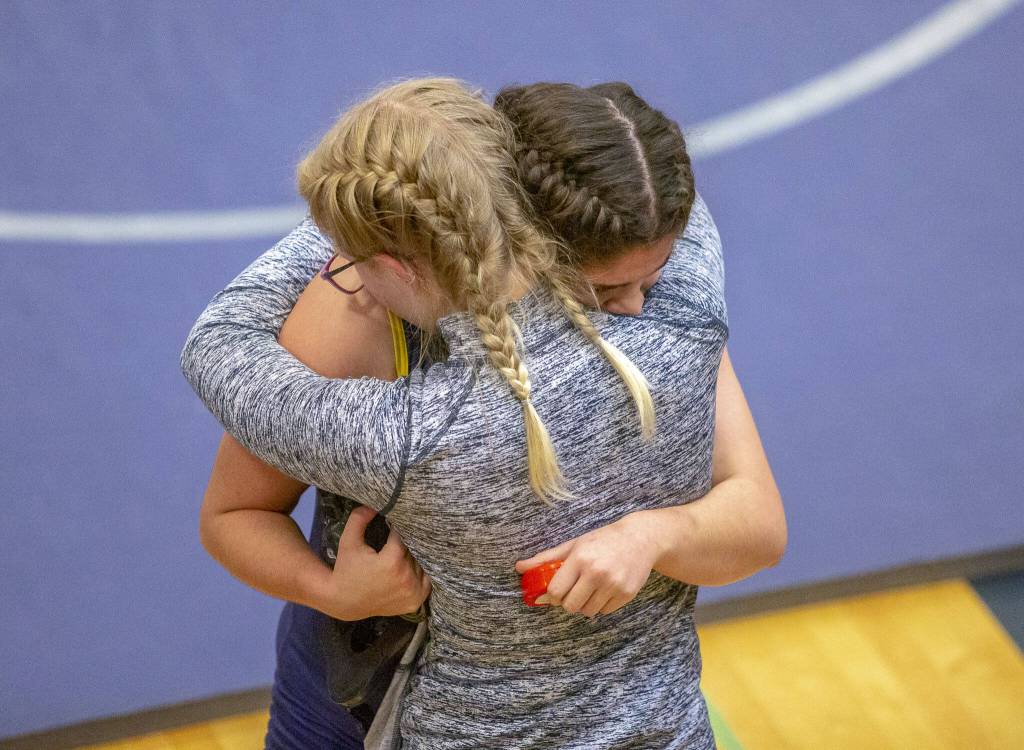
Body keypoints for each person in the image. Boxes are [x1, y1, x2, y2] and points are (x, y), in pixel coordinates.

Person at [189, 78, 785, 749]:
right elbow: (235, 513)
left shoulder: (666, 320)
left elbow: (758, 522)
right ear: (531, 232)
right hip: (354, 676)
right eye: (609, 286)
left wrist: (652, 535)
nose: (635, 308)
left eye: (654, 276)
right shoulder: (354, 315)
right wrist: (331, 591)